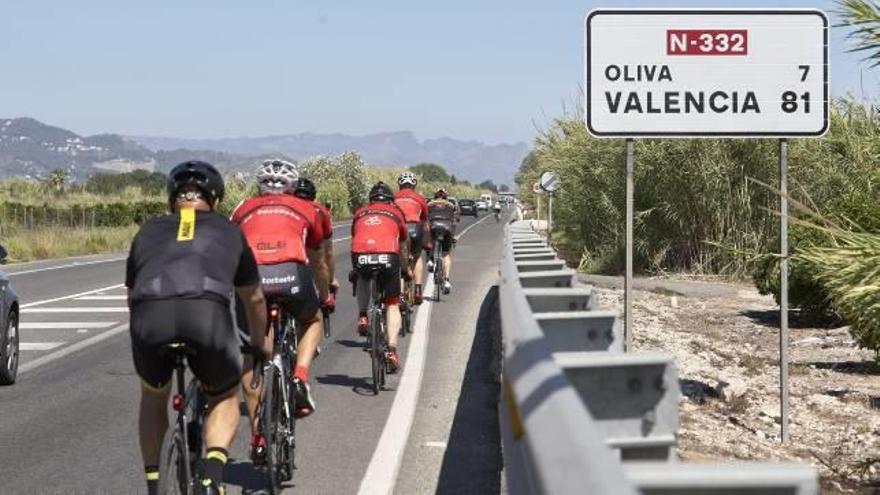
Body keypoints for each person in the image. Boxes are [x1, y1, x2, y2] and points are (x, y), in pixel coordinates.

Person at [127, 160, 269, 495]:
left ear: (171, 198)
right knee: (223, 398)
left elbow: (133, 297)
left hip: (150, 317)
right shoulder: (230, 231)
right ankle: (211, 478)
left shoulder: (147, 231)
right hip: (207, 316)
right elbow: (255, 299)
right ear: (216, 200)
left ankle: (152, 484)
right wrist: (260, 343)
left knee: (153, 394)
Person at [230, 159, 330, 463]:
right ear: (291, 185)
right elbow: (318, 260)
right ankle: (299, 376)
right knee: (313, 321)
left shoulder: (242, 208)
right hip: (291, 274)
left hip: (252, 278)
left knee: (254, 351)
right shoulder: (307, 208)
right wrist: (323, 295)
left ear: (259, 185)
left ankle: (258, 436)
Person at [350, 182, 412, 371]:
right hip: (388, 256)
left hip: (360, 254)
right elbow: (402, 245)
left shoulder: (360, 212)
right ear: (391, 201)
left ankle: (362, 315)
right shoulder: (396, 213)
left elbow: (355, 237)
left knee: (361, 277)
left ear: (371, 200)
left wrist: (355, 268)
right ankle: (392, 350)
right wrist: (406, 268)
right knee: (392, 304)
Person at [293, 177, 340, 304]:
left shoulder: (285, 208)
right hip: (310, 256)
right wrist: (331, 279)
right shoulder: (319, 210)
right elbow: (328, 252)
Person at [393, 171, 430, 304]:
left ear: (399, 185)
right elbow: (425, 223)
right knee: (418, 256)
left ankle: (401, 295)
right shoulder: (420, 198)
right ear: (414, 185)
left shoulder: (393, 196)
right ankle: (418, 290)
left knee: (398, 260)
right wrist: (427, 242)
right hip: (415, 228)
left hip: (399, 229)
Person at [426, 188, 457, 294]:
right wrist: (453, 237)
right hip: (447, 227)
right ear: (446, 197)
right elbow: (455, 219)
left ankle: (430, 259)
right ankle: (447, 280)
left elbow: (424, 218)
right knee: (446, 254)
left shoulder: (429, 203)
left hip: (434, 225)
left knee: (429, 237)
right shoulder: (451, 205)